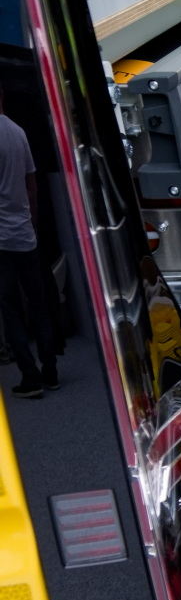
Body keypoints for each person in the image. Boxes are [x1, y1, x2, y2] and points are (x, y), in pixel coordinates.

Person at [0, 86, 57, 398]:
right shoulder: (18, 132)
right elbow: (31, 184)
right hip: (25, 234)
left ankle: (30, 377)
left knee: (10, 308)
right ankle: (51, 369)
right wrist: (32, 223)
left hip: (1, 241)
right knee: (38, 304)